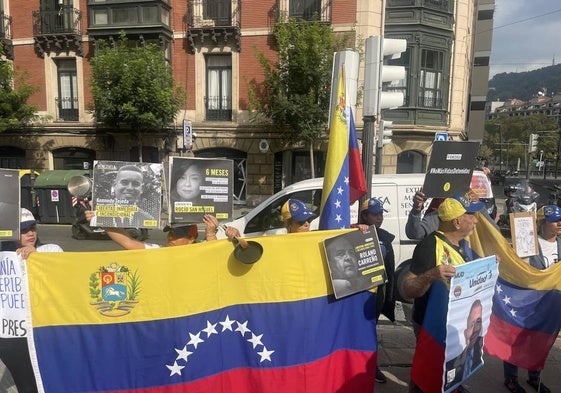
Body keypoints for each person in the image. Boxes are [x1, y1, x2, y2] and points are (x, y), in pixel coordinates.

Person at [402, 194, 484, 393]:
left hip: (455, 324)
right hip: (432, 326)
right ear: (457, 222)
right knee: (427, 374)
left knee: (446, 370)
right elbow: (407, 288)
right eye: (471, 215)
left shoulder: (463, 245)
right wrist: (430, 275)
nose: (475, 220)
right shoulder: (429, 246)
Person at [0, 208, 63, 393]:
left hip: (44, 330)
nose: (30, 233)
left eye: (33, 228)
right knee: (27, 385)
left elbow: (61, 276)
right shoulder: (4, 259)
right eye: (23, 230)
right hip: (13, 333)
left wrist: (36, 256)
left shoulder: (51, 250)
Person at [502, 205, 559, 393]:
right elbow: (517, 268)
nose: (559, 224)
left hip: (552, 303)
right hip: (529, 300)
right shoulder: (527, 243)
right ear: (541, 223)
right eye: (554, 221)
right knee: (517, 338)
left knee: (540, 341)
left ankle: (535, 377)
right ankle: (510, 378)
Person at [355, 197, 396, 384]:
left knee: (371, 330)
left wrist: (389, 295)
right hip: (357, 294)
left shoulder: (385, 237)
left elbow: (389, 268)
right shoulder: (353, 231)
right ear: (364, 215)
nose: (379, 217)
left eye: (381, 214)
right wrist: (354, 229)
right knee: (356, 330)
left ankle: (372, 365)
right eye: (375, 214)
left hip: (377, 293)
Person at [445, 299, 484, 390]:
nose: (475, 329)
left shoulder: (478, 351)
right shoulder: (452, 357)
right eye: (471, 324)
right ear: (465, 329)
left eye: (478, 321)